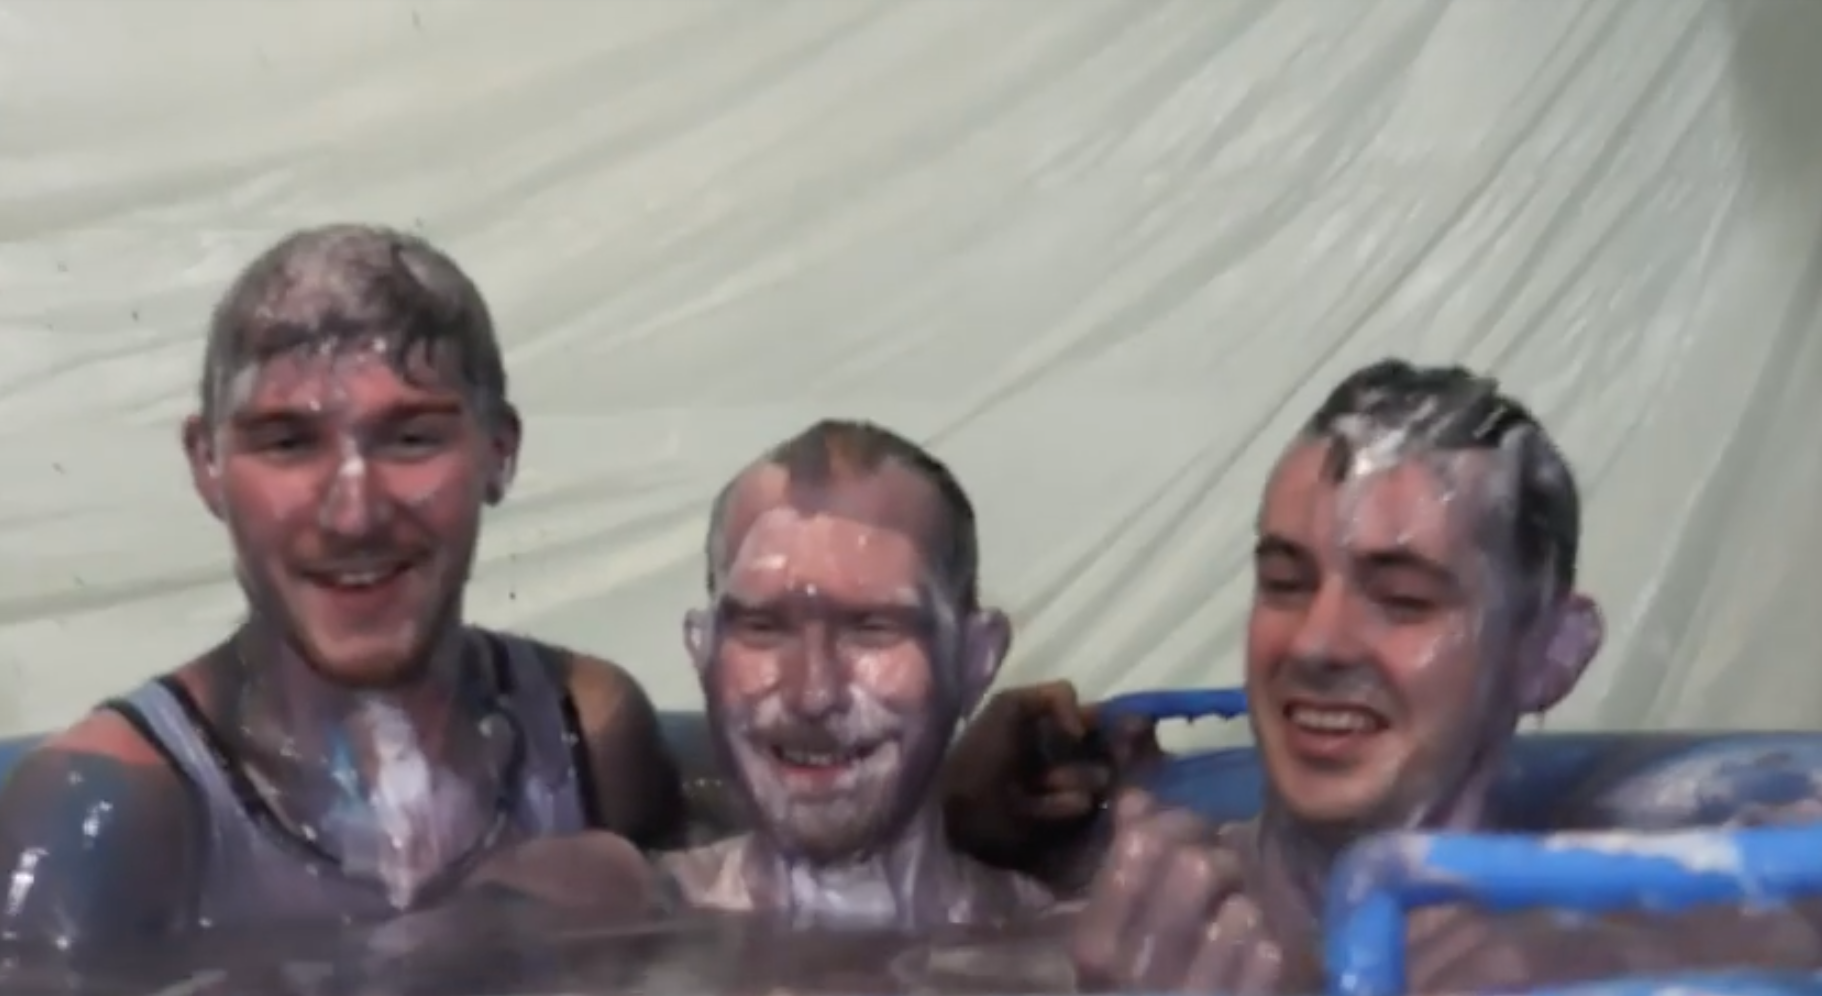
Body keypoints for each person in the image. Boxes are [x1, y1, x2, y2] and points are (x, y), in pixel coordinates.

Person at [0, 224, 1127, 954]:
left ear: (500, 451)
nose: (352, 510)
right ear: (206, 465)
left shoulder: (585, 736)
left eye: (413, 436)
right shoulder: (108, 812)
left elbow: (797, 823)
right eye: (287, 441)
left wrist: (961, 799)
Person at [1068, 359, 1822, 994]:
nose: (1316, 644)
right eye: (1285, 584)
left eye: (1403, 599)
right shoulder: (1117, 922)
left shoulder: (1635, 916)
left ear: (1550, 652)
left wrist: (1614, 950)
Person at [659, 419, 1056, 927]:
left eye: (872, 629)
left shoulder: (1064, 939)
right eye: (764, 628)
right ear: (703, 651)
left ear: (975, 660)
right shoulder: (617, 903)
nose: (814, 694)